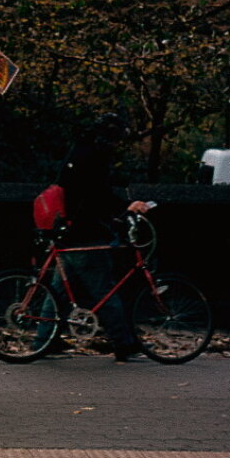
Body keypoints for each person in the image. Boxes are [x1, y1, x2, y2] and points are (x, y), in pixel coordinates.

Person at [53, 112, 156, 361]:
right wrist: (125, 208)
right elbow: (97, 195)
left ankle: (45, 339)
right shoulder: (95, 158)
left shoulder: (78, 151)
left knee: (58, 291)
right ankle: (123, 343)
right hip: (87, 231)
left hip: (67, 229)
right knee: (105, 291)